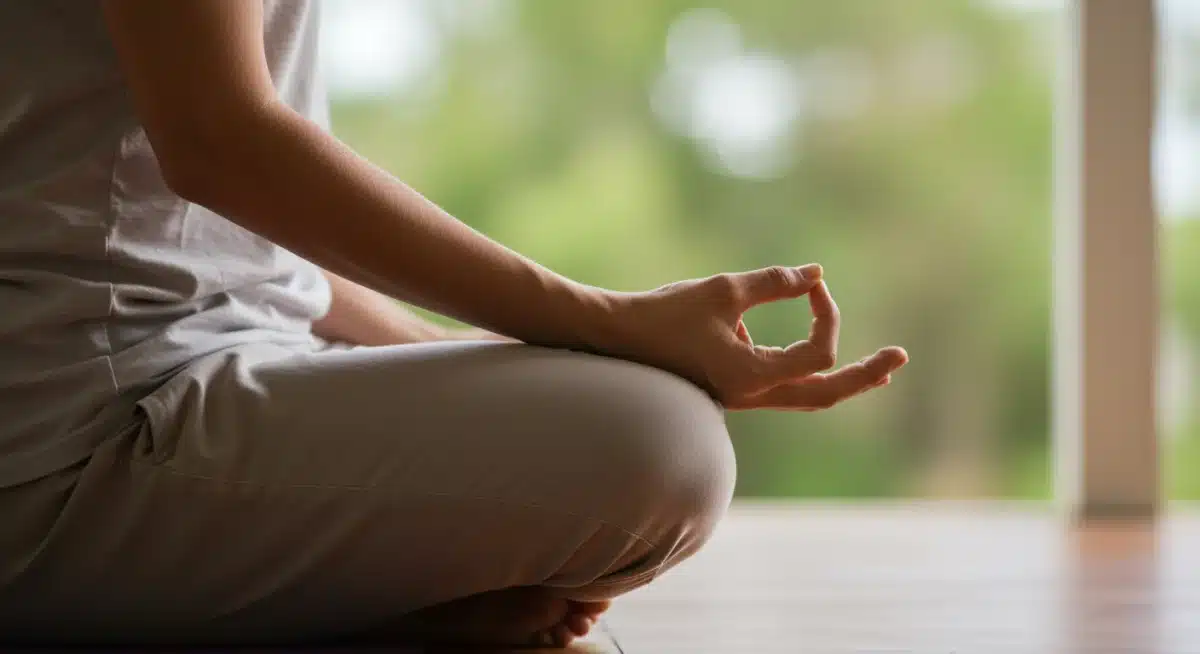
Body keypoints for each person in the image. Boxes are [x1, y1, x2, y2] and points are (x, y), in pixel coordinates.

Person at [0, 0, 908, 648]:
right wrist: (612, 322)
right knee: (665, 447)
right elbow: (220, 142)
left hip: (220, 364)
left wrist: (465, 361)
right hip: (78, 436)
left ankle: (348, 612)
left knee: (630, 413)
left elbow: (238, 246)